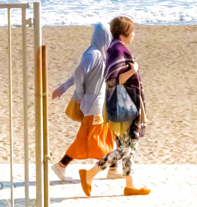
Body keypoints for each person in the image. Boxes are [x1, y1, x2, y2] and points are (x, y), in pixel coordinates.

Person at [81, 16, 149, 197]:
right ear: (124, 33)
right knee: (126, 147)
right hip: (123, 105)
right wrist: (132, 70)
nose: (133, 34)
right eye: (132, 31)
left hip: (121, 104)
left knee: (129, 146)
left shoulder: (114, 48)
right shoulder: (118, 50)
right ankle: (90, 173)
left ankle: (130, 185)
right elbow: (114, 79)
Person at [49, 20, 113, 183]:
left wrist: (64, 87)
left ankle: (61, 165)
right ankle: (109, 164)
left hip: (97, 105)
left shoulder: (99, 53)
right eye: (108, 36)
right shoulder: (94, 54)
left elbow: (82, 73)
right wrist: (78, 92)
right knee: (95, 139)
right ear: (104, 37)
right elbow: (79, 72)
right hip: (93, 106)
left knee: (87, 137)